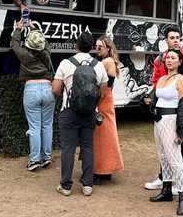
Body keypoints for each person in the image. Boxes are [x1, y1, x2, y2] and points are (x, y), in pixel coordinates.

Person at [144, 25, 183, 193]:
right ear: (166, 40)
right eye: (172, 38)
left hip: (182, 110)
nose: (176, 40)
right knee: (164, 147)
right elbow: (156, 83)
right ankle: (164, 179)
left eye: (178, 37)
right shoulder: (159, 60)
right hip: (164, 112)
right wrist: (153, 102)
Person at [52, 32, 108, 197]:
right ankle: (87, 185)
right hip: (90, 113)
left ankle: (66, 186)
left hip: (69, 111)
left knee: (68, 148)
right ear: (92, 47)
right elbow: (103, 93)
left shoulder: (65, 63)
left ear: (76, 45)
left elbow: (55, 89)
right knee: (88, 147)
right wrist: (92, 105)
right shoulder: (98, 65)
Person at [146, 49, 183, 215]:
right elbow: (155, 101)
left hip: (171, 121)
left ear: (180, 62)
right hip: (158, 121)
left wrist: (182, 130)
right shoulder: (162, 79)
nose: (169, 60)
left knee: (175, 159)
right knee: (163, 156)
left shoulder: (181, 80)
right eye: (167, 58)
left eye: (173, 58)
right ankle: (166, 191)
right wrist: (148, 102)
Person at [10, 19, 55, 171]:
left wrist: (18, 29)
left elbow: (14, 45)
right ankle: (46, 158)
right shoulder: (47, 53)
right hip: (48, 89)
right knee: (47, 126)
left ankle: (34, 160)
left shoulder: (24, 55)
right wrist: (35, 28)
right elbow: (43, 42)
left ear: (28, 44)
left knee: (34, 127)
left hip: (31, 90)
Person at [93, 35, 124, 184]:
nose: (97, 49)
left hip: (103, 100)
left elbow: (106, 86)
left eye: (100, 47)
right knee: (104, 135)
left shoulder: (107, 62)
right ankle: (104, 169)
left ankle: (103, 170)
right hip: (104, 99)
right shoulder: (107, 61)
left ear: (108, 48)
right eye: (96, 46)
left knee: (104, 136)